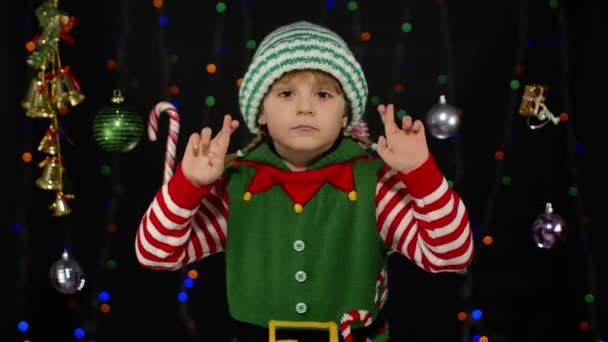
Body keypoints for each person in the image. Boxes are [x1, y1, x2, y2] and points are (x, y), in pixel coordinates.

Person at [135, 20, 473, 341]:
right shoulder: (235, 185)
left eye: (323, 95)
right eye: (285, 94)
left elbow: (451, 254)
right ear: (261, 112)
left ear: (345, 115)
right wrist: (188, 185)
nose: (305, 108)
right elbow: (156, 254)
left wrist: (421, 173)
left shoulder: (376, 184)